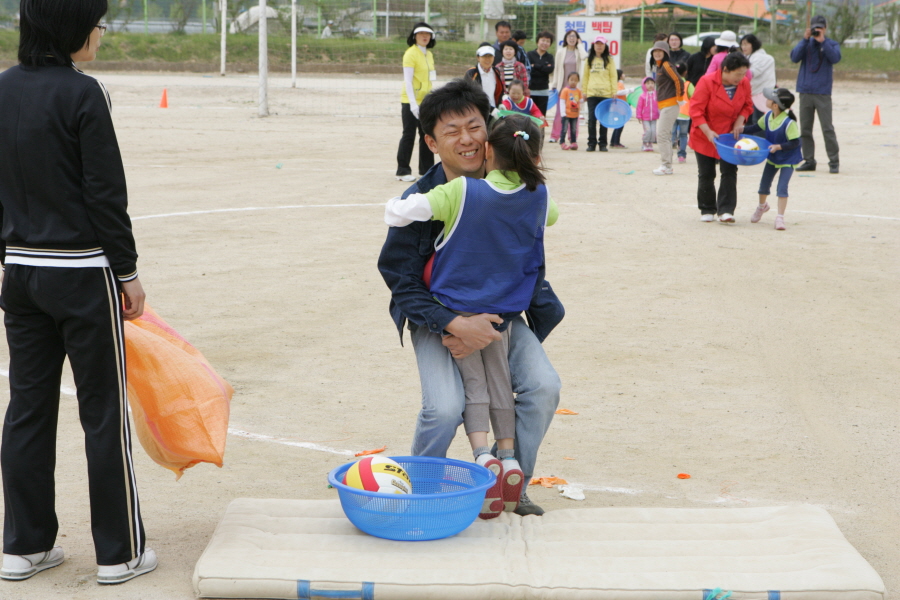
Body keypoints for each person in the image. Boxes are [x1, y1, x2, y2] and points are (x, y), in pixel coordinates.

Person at [0, 0, 157, 584]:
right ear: (70, 27)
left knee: (28, 409)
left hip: (21, 274)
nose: (101, 30)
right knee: (103, 413)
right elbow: (104, 194)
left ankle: (23, 545)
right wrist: (127, 272)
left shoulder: (3, 88)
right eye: (97, 20)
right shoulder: (84, 92)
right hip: (82, 273)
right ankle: (120, 552)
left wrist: (7, 258)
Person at [377, 78, 563, 517]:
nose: (467, 139)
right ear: (431, 142)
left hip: (501, 318)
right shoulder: (423, 198)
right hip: (437, 317)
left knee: (543, 386)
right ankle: (420, 491)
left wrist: (494, 322)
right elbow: (400, 278)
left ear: (490, 129)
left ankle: (509, 484)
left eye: (474, 126)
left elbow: (526, 259)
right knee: (444, 409)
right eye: (451, 131)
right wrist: (455, 325)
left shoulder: (517, 186)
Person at [689, 52, 753, 223]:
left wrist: (740, 121)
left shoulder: (744, 83)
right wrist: (708, 132)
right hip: (705, 135)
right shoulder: (707, 81)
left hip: (730, 136)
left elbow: (747, 105)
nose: (741, 78)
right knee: (706, 173)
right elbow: (695, 110)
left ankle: (726, 210)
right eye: (737, 74)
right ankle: (707, 208)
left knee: (730, 171)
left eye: (743, 74)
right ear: (725, 69)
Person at [742, 88, 802, 230]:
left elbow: (795, 142)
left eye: (769, 98)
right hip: (773, 158)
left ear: (775, 105)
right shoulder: (768, 116)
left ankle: (780, 217)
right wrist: (740, 129)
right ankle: (762, 207)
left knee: (782, 188)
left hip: (787, 159)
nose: (766, 100)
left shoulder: (789, 123)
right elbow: (756, 127)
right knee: (763, 186)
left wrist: (778, 147)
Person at [790, 15, 841, 174]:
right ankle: (809, 160)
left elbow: (835, 58)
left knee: (827, 128)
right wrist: (805, 40)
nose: (817, 31)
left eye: (820, 28)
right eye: (814, 28)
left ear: (825, 28)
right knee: (805, 129)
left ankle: (834, 161)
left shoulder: (831, 43)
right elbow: (794, 57)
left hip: (822, 92)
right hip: (805, 90)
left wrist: (823, 41)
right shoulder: (806, 43)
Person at [396, 22, 436, 182]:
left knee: (426, 135)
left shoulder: (429, 54)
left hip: (425, 102)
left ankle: (426, 171)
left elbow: (430, 78)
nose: (424, 36)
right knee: (408, 134)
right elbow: (408, 81)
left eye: (427, 34)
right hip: (410, 101)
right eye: (421, 34)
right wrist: (413, 104)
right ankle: (402, 170)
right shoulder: (410, 54)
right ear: (414, 36)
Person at [648, 40, 683, 175]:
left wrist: (680, 98)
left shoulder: (666, 65)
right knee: (665, 135)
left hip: (670, 104)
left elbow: (678, 80)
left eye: (659, 51)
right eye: (655, 51)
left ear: (665, 53)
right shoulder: (659, 66)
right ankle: (667, 165)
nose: (657, 53)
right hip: (665, 105)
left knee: (662, 135)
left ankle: (666, 165)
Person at [549, 29, 587, 143]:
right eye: (569, 36)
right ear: (565, 38)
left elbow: (585, 56)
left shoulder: (578, 51)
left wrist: (580, 45)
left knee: (574, 112)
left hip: (575, 89)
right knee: (560, 113)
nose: (571, 38)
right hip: (563, 87)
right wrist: (555, 85)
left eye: (574, 36)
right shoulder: (561, 52)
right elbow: (556, 70)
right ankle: (555, 136)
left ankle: (572, 136)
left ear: (577, 39)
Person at [583, 35, 617, 152]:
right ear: (594, 45)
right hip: (592, 93)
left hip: (605, 94)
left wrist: (614, 92)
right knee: (592, 119)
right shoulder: (589, 60)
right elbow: (585, 77)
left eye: (601, 44)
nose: (599, 46)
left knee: (604, 119)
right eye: (597, 44)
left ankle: (603, 144)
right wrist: (584, 91)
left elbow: (613, 76)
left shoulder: (610, 60)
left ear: (605, 46)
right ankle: (591, 143)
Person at [741, 33, 776, 121]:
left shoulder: (762, 57)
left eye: (746, 44)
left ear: (753, 44)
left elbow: (752, 73)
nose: (743, 47)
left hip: (760, 94)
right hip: (751, 95)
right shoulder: (748, 57)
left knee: (758, 122)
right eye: (742, 44)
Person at [465, 44, 505, 108]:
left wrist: (500, 103)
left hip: (494, 111)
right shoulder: (471, 73)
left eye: (490, 56)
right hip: (478, 111)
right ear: (478, 58)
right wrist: (491, 109)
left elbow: (499, 91)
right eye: (484, 56)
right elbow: (470, 96)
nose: (487, 59)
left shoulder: (496, 72)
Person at [527, 31, 555, 117]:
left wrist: (535, 66)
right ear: (537, 41)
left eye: (548, 41)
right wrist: (543, 67)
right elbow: (529, 70)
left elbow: (549, 70)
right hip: (530, 90)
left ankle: (541, 131)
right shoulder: (529, 55)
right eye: (543, 40)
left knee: (541, 116)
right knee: (529, 116)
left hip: (543, 91)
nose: (545, 43)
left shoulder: (550, 57)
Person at [673, 62, 694, 164]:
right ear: (685, 72)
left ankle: (668, 154)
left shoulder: (671, 83)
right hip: (685, 114)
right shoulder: (688, 84)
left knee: (671, 134)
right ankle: (682, 155)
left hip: (672, 113)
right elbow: (694, 96)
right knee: (683, 135)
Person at [558, 72, 583, 150]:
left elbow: (581, 100)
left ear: (578, 81)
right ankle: (562, 142)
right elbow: (562, 101)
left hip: (575, 114)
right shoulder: (565, 90)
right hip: (566, 114)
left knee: (574, 129)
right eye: (571, 80)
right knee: (564, 129)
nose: (573, 82)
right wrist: (563, 113)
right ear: (568, 80)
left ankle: (573, 142)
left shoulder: (578, 91)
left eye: (575, 80)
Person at [636, 77, 659, 152]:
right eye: (648, 83)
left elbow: (659, 105)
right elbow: (639, 107)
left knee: (653, 131)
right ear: (644, 85)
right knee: (648, 130)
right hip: (645, 117)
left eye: (652, 83)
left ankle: (650, 143)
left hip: (654, 117)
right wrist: (639, 116)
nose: (650, 85)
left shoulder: (656, 95)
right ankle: (645, 143)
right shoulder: (642, 96)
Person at [610, 69, 629, 149]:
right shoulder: (619, 84)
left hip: (618, 107)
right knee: (620, 125)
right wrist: (629, 91)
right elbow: (618, 92)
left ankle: (613, 141)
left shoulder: (616, 84)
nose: (624, 75)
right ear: (620, 76)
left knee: (618, 125)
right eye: (623, 74)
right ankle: (616, 142)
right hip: (620, 108)